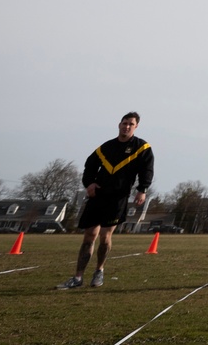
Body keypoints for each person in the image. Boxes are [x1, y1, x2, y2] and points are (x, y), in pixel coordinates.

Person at [57, 112, 154, 289]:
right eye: (124, 123)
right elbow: (90, 166)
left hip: (118, 198)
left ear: (136, 127)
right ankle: (78, 278)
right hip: (98, 196)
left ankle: (99, 271)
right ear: (119, 125)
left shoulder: (142, 147)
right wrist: (90, 183)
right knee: (89, 235)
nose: (126, 126)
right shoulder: (106, 147)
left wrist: (142, 190)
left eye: (130, 124)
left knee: (105, 236)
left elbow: (146, 170)